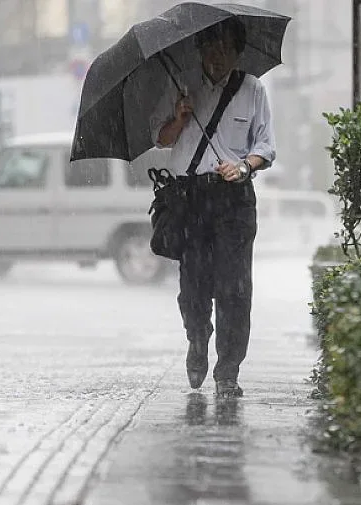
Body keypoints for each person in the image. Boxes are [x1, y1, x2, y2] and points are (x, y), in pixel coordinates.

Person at [149, 18, 276, 398]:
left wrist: (242, 166)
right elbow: (160, 139)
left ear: (239, 53)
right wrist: (179, 117)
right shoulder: (180, 85)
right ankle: (198, 338)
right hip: (190, 199)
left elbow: (266, 147)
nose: (219, 57)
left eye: (228, 50)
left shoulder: (253, 90)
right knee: (193, 287)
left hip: (234, 199)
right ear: (201, 49)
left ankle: (228, 371)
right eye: (213, 48)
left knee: (234, 288)